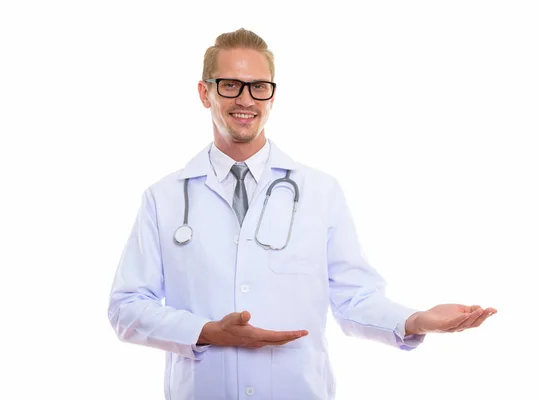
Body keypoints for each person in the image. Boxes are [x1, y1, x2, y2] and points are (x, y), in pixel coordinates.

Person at [108, 28, 497, 400]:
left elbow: (353, 299)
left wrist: (415, 320)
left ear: (272, 96)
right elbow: (126, 308)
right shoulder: (164, 198)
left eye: (259, 87)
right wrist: (207, 332)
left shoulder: (319, 191)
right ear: (204, 92)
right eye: (230, 85)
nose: (246, 100)